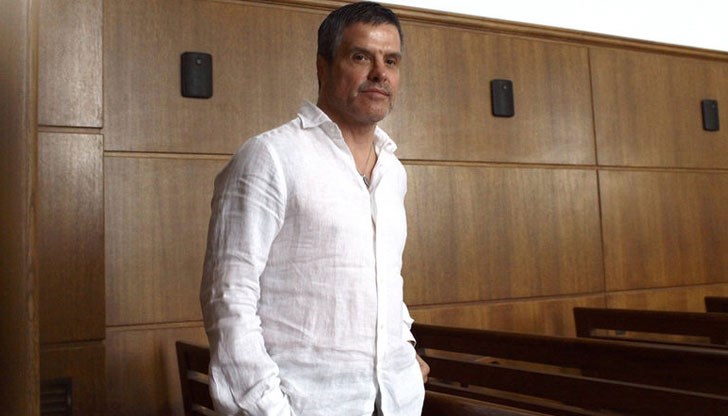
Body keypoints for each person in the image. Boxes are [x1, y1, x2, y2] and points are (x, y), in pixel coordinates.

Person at [200, 2, 428, 415]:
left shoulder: (393, 171)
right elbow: (228, 297)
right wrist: (268, 409)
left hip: (397, 403)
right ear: (323, 66)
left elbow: (384, 281)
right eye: (361, 57)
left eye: (391, 61)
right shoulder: (271, 156)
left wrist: (405, 353)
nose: (380, 73)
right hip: (308, 405)